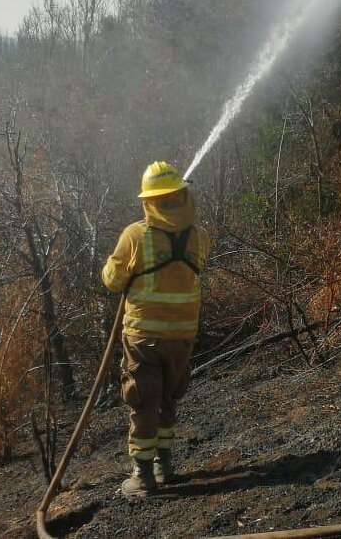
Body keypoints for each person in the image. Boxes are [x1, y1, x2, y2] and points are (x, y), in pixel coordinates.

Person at [101, 161, 210, 497]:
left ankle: (142, 477)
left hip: (144, 337)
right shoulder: (201, 237)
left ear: (149, 200)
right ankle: (165, 466)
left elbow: (113, 280)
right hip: (182, 336)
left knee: (143, 402)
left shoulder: (136, 235)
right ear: (182, 195)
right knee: (167, 400)